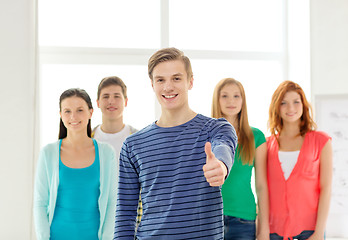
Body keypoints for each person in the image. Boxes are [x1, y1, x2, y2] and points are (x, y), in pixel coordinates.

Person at [114, 47, 238, 239]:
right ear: (152, 84)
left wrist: (221, 166)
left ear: (190, 81)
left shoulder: (216, 128)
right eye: (160, 80)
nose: (168, 87)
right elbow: (124, 213)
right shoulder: (133, 145)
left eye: (176, 78)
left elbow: (223, 147)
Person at [33, 88, 117, 240]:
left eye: (80, 110)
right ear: (60, 114)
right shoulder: (48, 152)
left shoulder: (106, 153)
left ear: (90, 112)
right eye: (67, 111)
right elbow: (40, 203)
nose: (73, 117)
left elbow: (113, 201)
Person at [267, 81, 332, 240]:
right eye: (284, 103)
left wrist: (318, 232)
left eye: (296, 102)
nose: (291, 108)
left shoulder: (321, 141)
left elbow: (326, 189)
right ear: (277, 107)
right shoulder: (267, 145)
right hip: (274, 230)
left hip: (310, 230)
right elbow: (262, 189)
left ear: (303, 105)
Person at [211, 78, 269, 240]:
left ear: (243, 100)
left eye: (237, 96)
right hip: (209, 218)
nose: (231, 101)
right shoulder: (205, 134)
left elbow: (262, 186)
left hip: (243, 219)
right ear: (217, 100)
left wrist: (263, 229)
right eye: (225, 96)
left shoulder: (256, 137)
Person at [92, 76, 141, 227]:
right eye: (106, 96)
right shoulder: (87, 138)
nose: (111, 101)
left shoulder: (139, 139)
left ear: (126, 102)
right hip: (95, 218)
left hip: (132, 220)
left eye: (116, 96)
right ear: (98, 103)